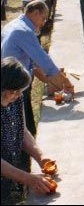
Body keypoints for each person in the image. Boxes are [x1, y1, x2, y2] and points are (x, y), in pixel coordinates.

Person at [1, 1, 75, 135]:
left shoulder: (12, 25)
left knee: (21, 120)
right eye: (43, 18)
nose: (43, 23)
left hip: (9, 79)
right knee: (19, 125)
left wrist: (50, 82)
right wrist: (66, 83)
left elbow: (34, 64)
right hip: (14, 84)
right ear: (36, 13)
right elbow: (43, 60)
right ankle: (24, 151)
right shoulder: (23, 31)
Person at [1, 57, 55, 203]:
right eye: (14, 91)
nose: (19, 95)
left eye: (21, 91)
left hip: (9, 177)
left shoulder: (16, 98)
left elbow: (22, 131)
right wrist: (28, 178)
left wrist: (41, 157)